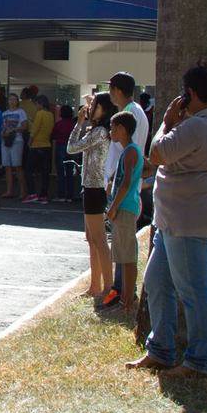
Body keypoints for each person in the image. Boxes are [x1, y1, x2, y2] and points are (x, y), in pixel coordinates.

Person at [128, 64, 207, 378]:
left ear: (190, 94)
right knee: (159, 283)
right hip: (175, 219)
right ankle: (160, 349)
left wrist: (167, 123)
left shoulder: (193, 127)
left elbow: (157, 154)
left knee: (194, 291)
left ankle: (200, 362)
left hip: (187, 222)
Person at [67, 91, 117, 301]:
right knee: (91, 238)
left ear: (103, 109)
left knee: (99, 239)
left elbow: (71, 148)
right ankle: (95, 285)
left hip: (95, 189)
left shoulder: (99, 132)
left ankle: (108, 287)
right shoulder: (98, 130)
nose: (89, 109)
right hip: (90, 187)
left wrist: (78, 124)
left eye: (94, 105)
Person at [105, 110, 143, 315]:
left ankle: (127, 302)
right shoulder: (129, 151)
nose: (111, 131)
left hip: (125, 210)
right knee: (123, 256)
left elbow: (127, 182)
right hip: (124, 208)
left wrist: (113, 208)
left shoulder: (130, 151)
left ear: (122, 129)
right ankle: (125, 300)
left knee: (128, 258)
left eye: (113, 128)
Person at [24, 94, 55, 203]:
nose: (36, 106)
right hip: (46, 145)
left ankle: (32, 193)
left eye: (36, 104)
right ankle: (44, 195)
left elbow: (35, 129)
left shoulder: (40, 113)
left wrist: (29, 141)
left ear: (40, 104)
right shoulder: (50, 114)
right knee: (45, 172)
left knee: (28, 170)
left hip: (36, 145)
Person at [0, 93, 28, 198]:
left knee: (17, 166)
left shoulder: (21, 112)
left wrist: (13, 130)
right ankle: (9, 191)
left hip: (17, 140)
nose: (12, 101)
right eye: (10, 99)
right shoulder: (4, 114)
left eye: (14, 99)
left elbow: (25, 126)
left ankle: (23, 191)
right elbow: (1, 126)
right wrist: (3, 133)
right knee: (7, 166)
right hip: (5, 140)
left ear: (17, 101)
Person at [51, 105, 78, 203]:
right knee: (70, 172)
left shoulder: (58, 124)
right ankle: (70, 195)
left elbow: (53, 135)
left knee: (61, 172)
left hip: (61, 146)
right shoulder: (73, 124)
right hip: (71, 148)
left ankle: (61, 194)